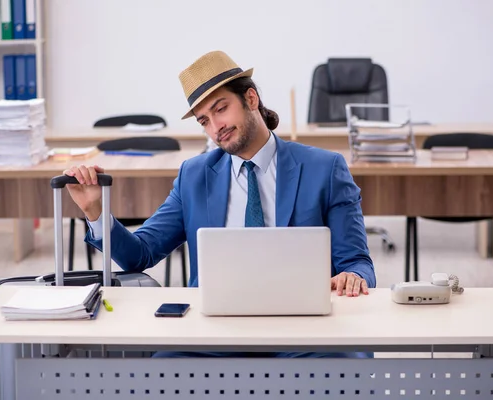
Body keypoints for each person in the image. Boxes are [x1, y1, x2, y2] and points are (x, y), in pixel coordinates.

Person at [63, 51, 376, 358]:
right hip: (215, 334)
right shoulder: (194, 175)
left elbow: (357, 262)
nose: (215, 127)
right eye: (204, 120)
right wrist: (96, 211)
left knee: (346, 362)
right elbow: (140, 255)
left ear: (251, 99)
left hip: (305, 333)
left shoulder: (325, 168)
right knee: (160, 371)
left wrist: (354, 277)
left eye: (221, 109)